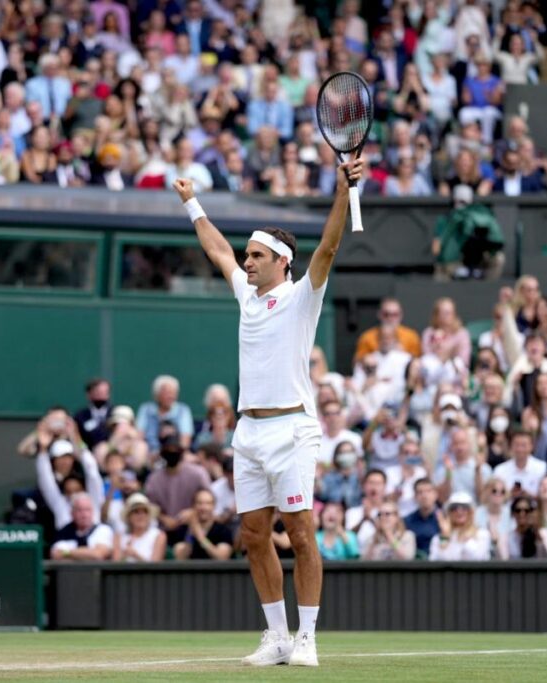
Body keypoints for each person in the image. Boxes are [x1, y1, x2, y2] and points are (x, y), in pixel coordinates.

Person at [173, 154, 364, 666]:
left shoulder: (304, 295)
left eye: (257, 255)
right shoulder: (246, 296)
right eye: (248, 254)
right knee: (254, 535)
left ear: (282, 261)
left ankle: (308, 637)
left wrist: (344, 191)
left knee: (301, 534)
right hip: (249, 434)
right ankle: (277, 636)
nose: (247, 261)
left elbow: (328, 245)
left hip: (293, 430)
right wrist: (192, 201)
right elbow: (215, 250)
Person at [144, 435, 211, 541]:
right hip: (164, 530)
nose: (172, 454)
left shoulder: (198, 473)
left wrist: (193, 511)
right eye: (168, 451)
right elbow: (150, 505)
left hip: (194, 526)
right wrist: (163, 518)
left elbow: (209, 498)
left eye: (175, 450)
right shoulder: (154, 479)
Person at [136, 375, 194, 451]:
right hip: (149, 452)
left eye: (173, 393)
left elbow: (185, 439)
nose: (171, 396)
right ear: (157, 394)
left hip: (174, 453)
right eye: (167, 393)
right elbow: (139, 435)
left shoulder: (183, 410)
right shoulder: (146, 409)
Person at [49, 493, 114, 561]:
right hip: (69, 571)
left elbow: (98, 554)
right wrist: (88, 552)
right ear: (72, 513)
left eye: (87, 510)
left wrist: (67, 552)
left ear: (92, 512)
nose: (84, 514)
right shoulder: (63, 532)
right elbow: (56, 554)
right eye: (79, 510)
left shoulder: (103, 530)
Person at [173, 488, 234, 560]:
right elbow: (181, 558)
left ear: (214, 506)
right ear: (193, 506)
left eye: (208, 503)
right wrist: (190, 533)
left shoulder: (223, 531)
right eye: (199, 503)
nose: (204, 508)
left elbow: (221, 558)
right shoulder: (184, 529)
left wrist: (201, 538)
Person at [429, 492, 491, 561]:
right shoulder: (438, 538)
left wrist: (466, 541)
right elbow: (436, 562)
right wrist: (445, 536)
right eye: (454, 508)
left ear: (471, 512)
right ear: (449, 513)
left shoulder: (482, 534)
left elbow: (477, 558)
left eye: (464, 508)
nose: (459, 511)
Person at [113, 492, 166, 562]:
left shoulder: (158, 535)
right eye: (136, 512)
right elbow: (116, 565)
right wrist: (124, 555)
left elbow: (155, 566)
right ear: (129, 516)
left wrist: (135, 555)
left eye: (145, 511)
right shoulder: (119, 536)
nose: (141, 516)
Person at [493, 428, 547, 497]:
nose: (520, 449)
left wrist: (528, 496)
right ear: (511, 446)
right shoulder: (500, 470)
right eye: (516, 445)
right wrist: (509, 495)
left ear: (532, 446)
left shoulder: (542, 468)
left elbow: (545, 497)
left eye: (524, 445)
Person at [404, 478, 441, 558]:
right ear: (415, 496)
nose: (424, 496)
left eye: (428, 491)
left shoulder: (445, 519)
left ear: (436, 494)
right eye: (420, 492)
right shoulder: (407, 521)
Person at [74, 378, 113, 449]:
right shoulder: (80, 416)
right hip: (86, 452)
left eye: (105, 392)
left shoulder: (115, 413)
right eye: (98, 392)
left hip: (112, 453)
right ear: (88, 394)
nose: (101, 395)